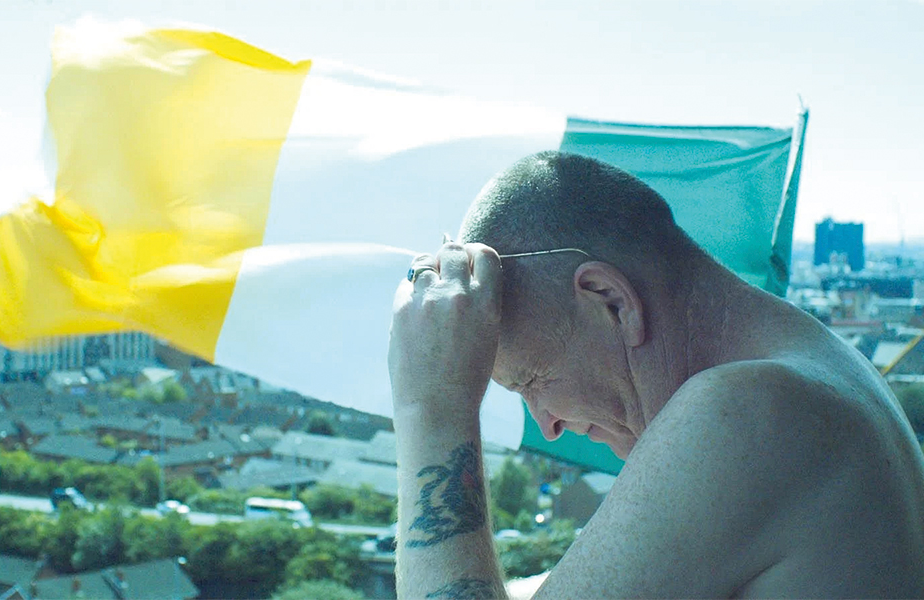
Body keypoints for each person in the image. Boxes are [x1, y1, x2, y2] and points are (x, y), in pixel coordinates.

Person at [388, 151, 924, 598]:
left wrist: (433, 411)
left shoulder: (745, 415)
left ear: (611, 301)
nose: (547, 425)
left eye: (531, 381)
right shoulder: (825, 371)